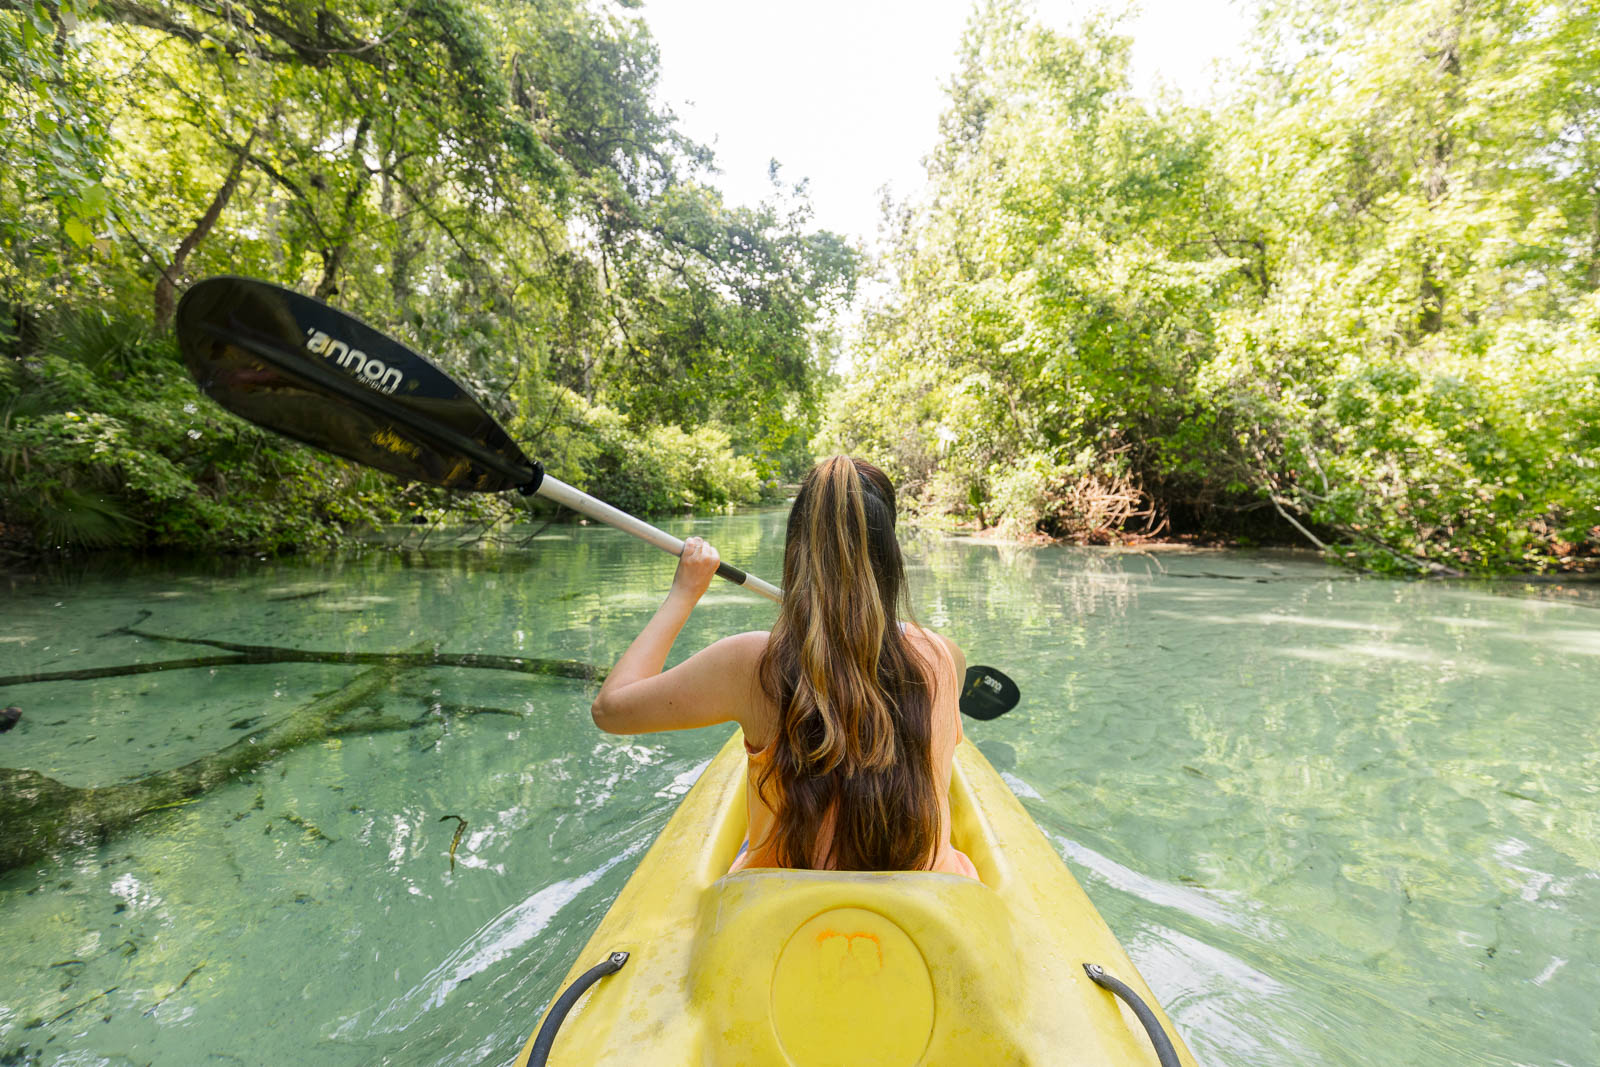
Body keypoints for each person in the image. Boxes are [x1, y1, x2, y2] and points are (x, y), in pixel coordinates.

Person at [590, 456, 979, 879]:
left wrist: (685, 591)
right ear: (892, 555)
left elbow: (611, 710)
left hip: (783, 915)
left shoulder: (751, 663)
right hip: (928, 911)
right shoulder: (944, 657)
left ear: (795, 549)